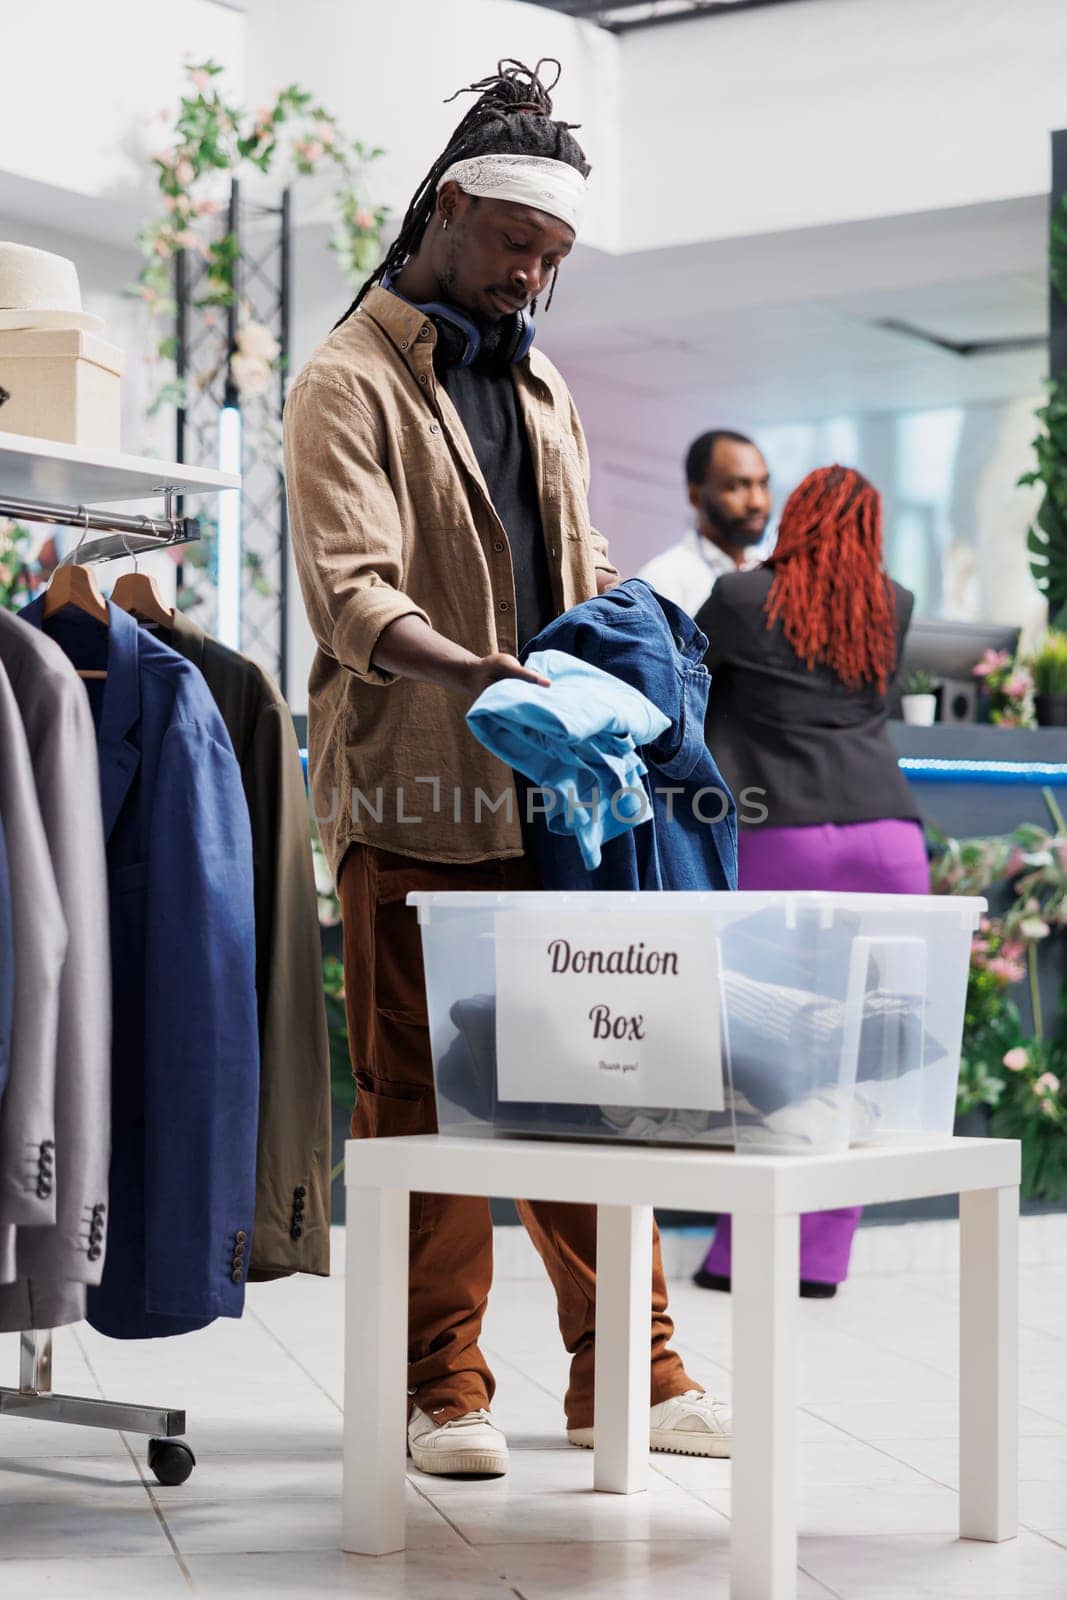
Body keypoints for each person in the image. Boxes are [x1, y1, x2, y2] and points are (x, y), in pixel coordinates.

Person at [283, 59, 729, 1480]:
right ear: (452, 208)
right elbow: (348, 595)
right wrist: (470, 669)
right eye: (516, 249)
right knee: (416, 1102)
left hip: (553, 799)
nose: (532, 282)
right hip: (410, 788)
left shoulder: (535, 381)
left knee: (588, 1085)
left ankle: (630, 1374)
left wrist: (622, 662)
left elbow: (581, 564)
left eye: (554, 261)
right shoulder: (343, 378)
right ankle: (443, 1388)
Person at [693, 464, 928, 1296]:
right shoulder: (891, 604)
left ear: (794, 517)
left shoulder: (737, 599)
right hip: (887, 839)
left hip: (780, 834)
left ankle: (739, 1255)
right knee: (864, 1055)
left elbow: (685, 685)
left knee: (761, 1047)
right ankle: (822, 1263)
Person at [636, 430, 772, 616]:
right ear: (695, 496)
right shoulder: (661, 582)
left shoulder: (770, 572)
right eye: (736, 487)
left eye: (763, 485)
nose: (757, 502)